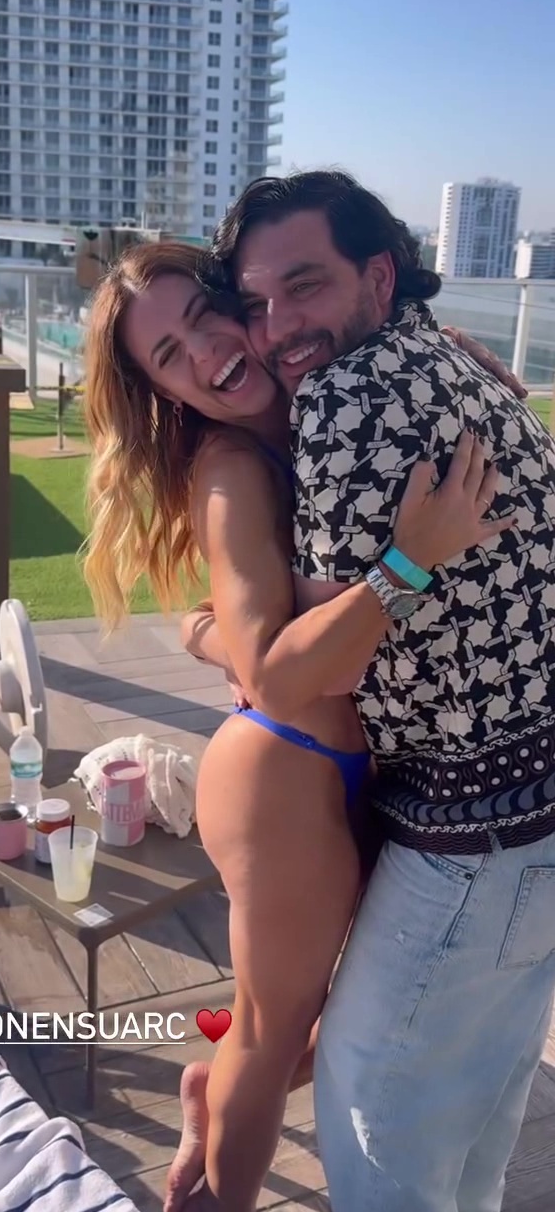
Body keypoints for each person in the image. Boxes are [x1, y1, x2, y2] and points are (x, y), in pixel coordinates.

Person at [81, 238, 517, 1212]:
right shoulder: (233, 467)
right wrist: (407, 563)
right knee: (272, 1029)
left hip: (368, 773)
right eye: (168, 353)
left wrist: (455, 354)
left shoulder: (326, 411)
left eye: (205, 314)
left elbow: (234, 621)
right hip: (287, 770)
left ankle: (212, 1092)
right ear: (161, 390)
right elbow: (276, 676)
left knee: (341, 1014)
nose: (204, 350)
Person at [187, 168, 555, 1212]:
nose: (277, 328)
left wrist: (221, 633)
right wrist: (216, 631)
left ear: (380, 275)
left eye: (304, 286)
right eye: (256, 302)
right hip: (526, 822)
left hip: (466, 837)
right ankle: (208, 1117)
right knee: (470, 1126)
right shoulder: (451, 356)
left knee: (374, 1124)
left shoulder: (343, 397)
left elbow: (308, 668)